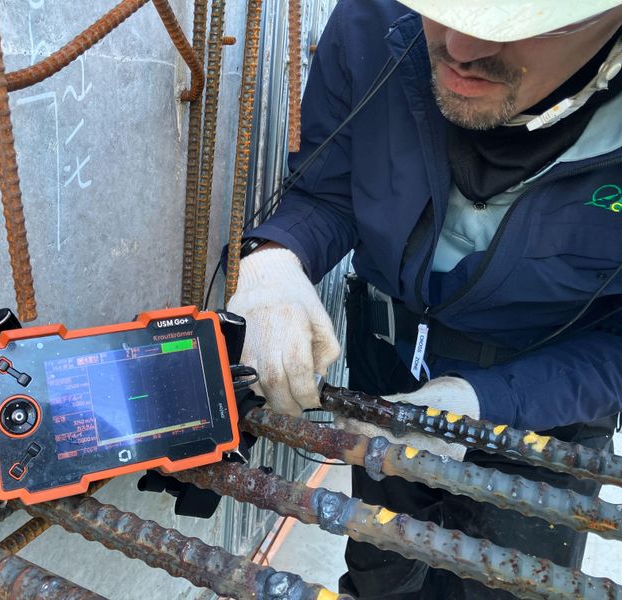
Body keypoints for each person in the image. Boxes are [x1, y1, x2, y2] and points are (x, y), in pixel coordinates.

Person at [226, 1, 622, 597]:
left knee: (508, 586)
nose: (460, 49)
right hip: (385, 370)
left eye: (520, 24)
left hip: (551, 407)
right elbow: (328, 190)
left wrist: (489, 401)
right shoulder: (373, 18)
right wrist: (275, 257)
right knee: (381, 571)